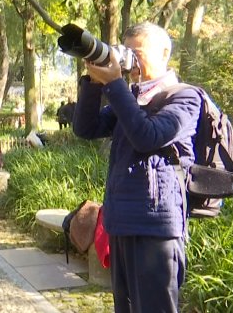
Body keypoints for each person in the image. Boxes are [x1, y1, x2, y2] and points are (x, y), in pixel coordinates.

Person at [73, 22, 201, 313]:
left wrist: (116, 85)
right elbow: (86, 128)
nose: (131, 61)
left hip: (155, 227)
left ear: (165, 52)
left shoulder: (183, 96)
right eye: (126, 52)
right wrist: (94, 83)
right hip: (120, 222)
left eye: (138, 53)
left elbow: (147, 136)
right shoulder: (130, 96)